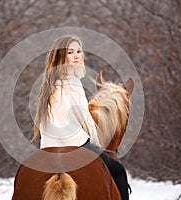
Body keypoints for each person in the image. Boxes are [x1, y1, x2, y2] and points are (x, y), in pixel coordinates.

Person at [33, 35, 130, 200]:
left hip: (48, 148)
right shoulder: (74, 83)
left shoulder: (48, 87)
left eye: (79, 51)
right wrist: (96, 144)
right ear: (61, 57)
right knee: (118, 171)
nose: (76, 55)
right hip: (77, 145)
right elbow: (85, 120)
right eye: (70, 52)